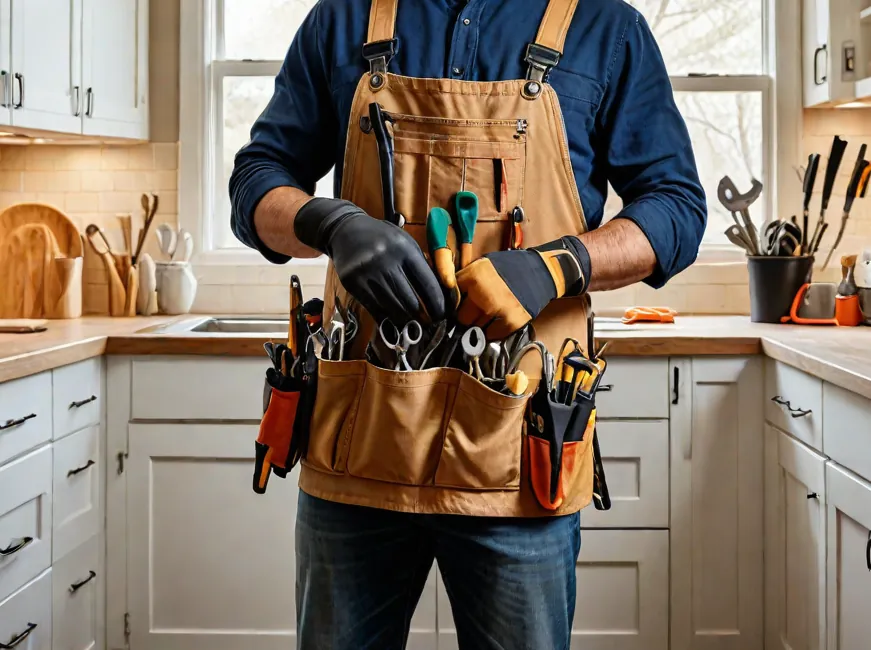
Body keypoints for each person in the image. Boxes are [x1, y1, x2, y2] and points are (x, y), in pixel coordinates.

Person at [230, 0, 706, 647]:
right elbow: (254, 185)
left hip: (519, 460)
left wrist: (561, 264)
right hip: (357, 450)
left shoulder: (604, 26)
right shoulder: (342, 19)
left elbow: (675, 211)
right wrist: (329, 223)